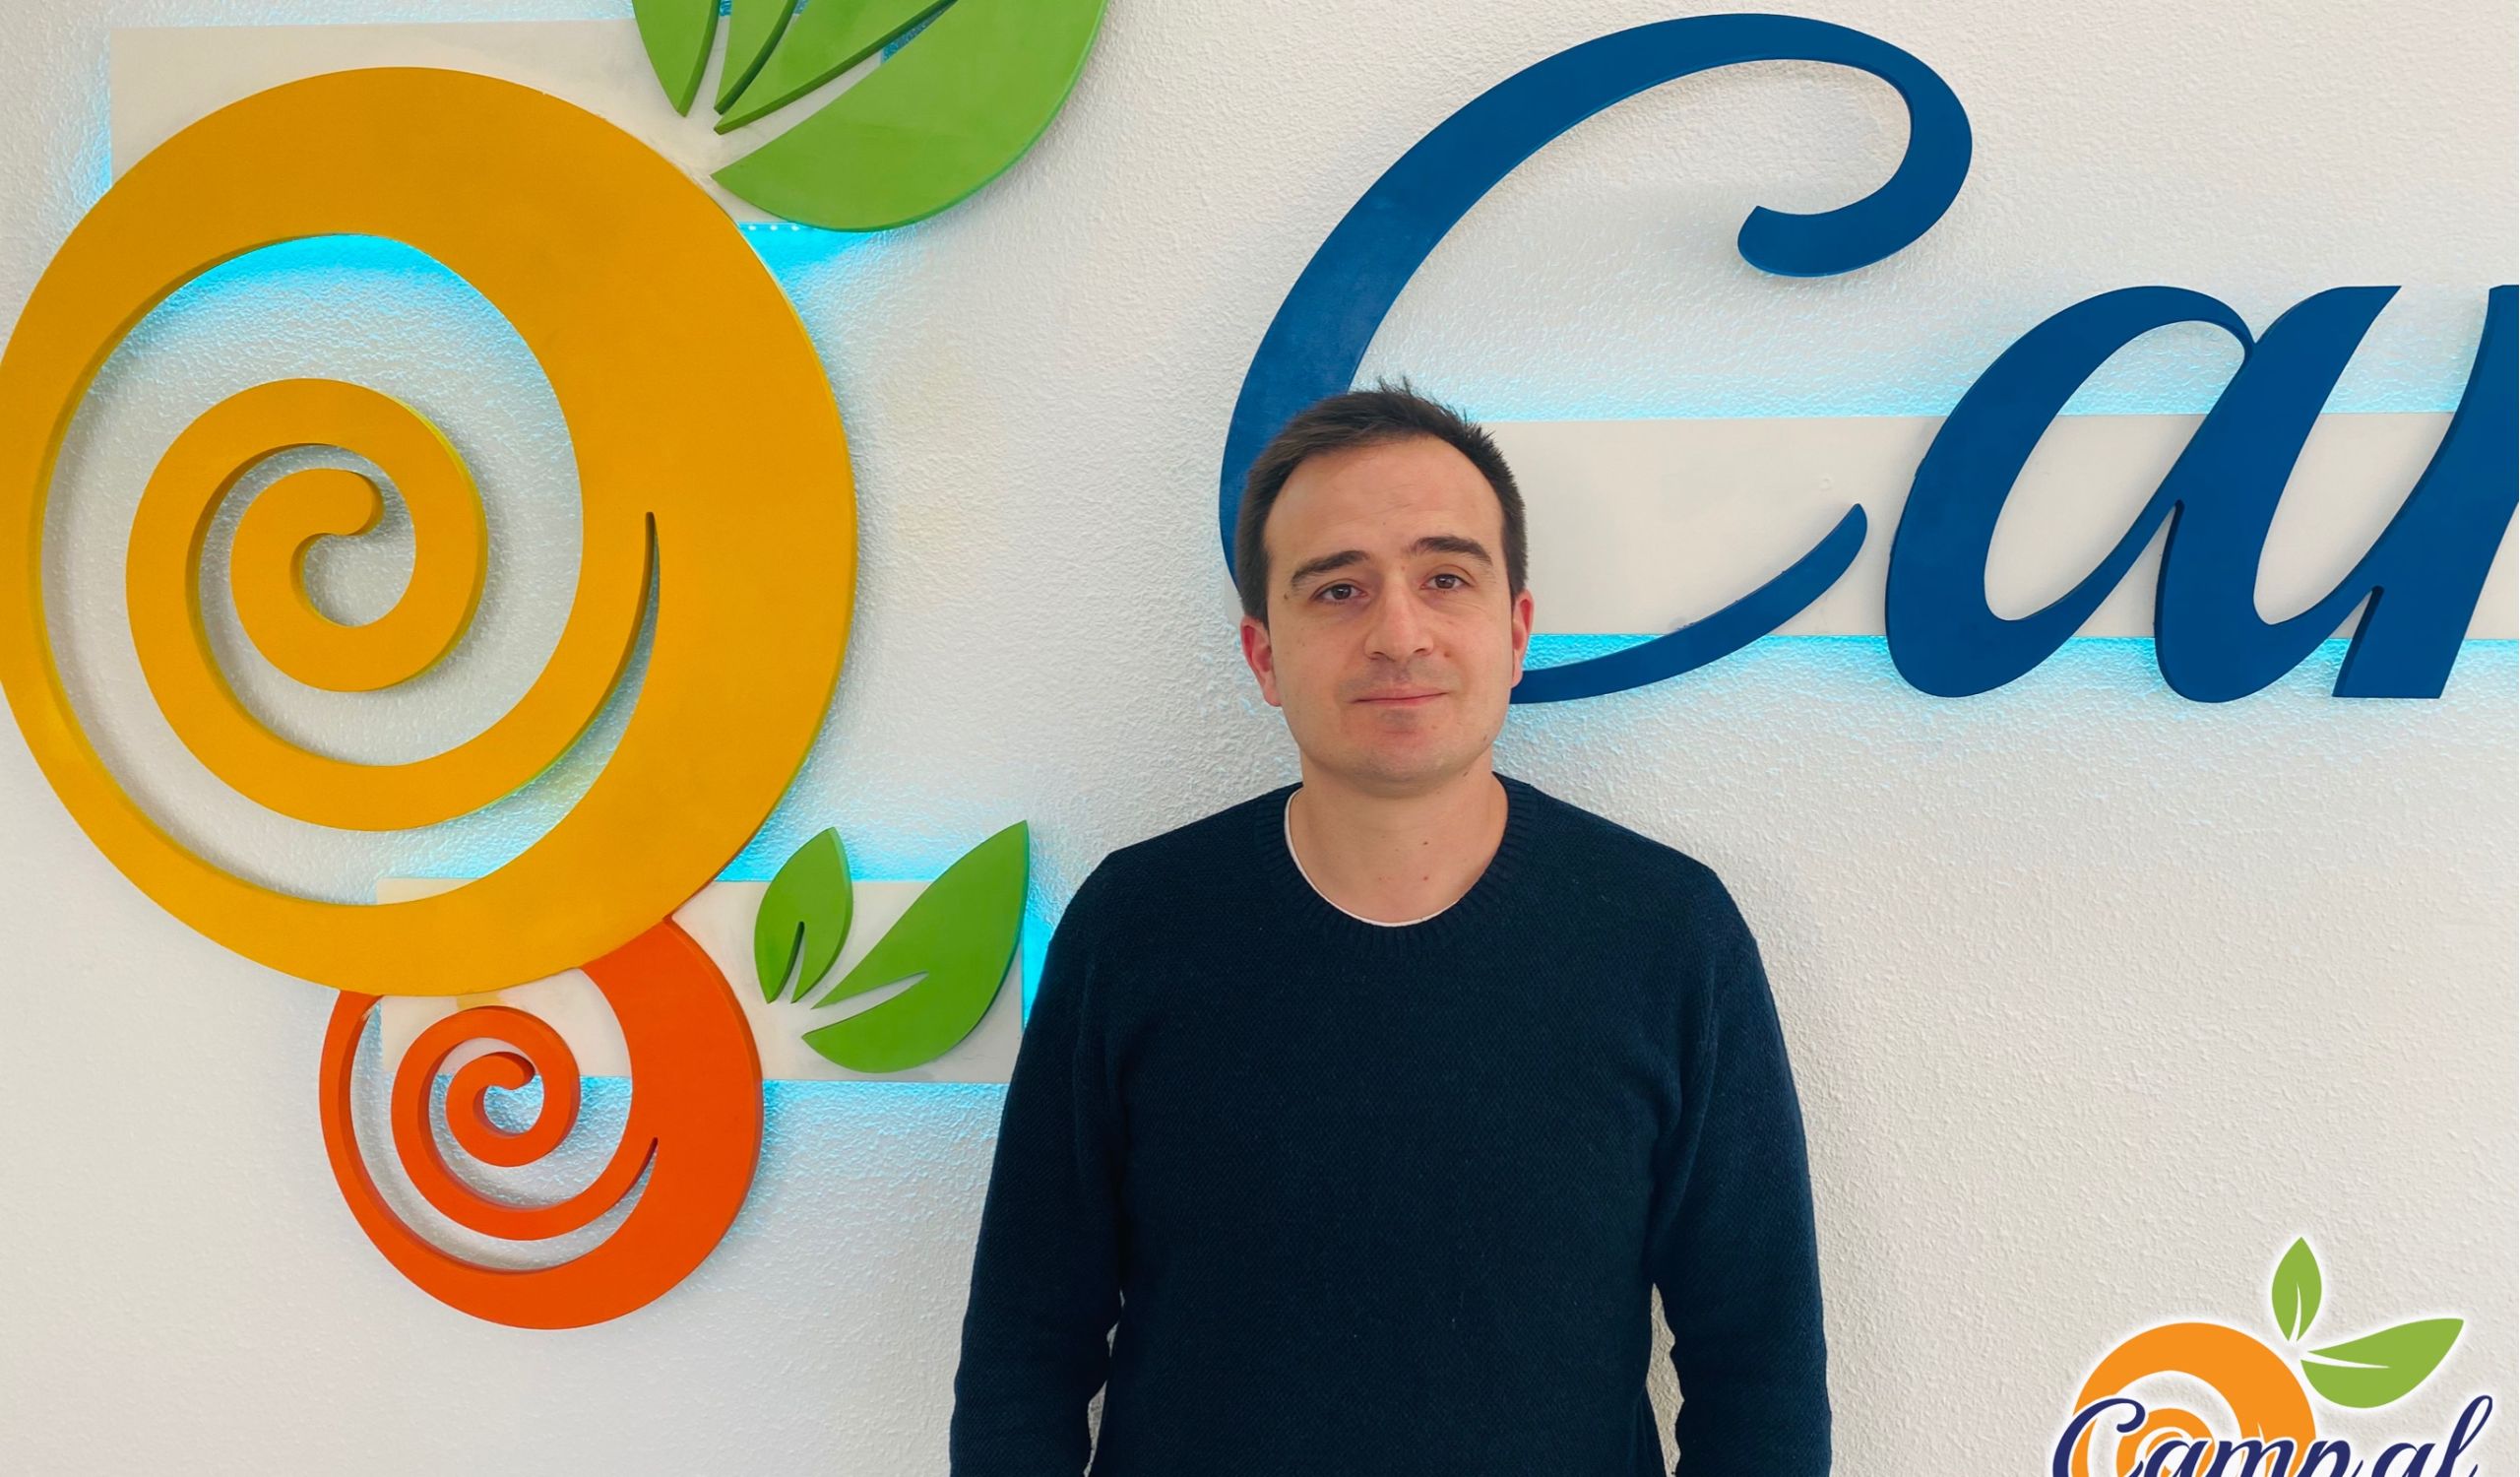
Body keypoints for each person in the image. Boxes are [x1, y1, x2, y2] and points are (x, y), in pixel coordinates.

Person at [947, 381, 1831, 1475]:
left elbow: (1759, 1372)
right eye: (1338, 590)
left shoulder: (1670, 936)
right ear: (1263, 656)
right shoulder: (1133, 929)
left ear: (1516, 630)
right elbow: (1024, 1354)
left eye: (1445, 578)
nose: (1398, 634)